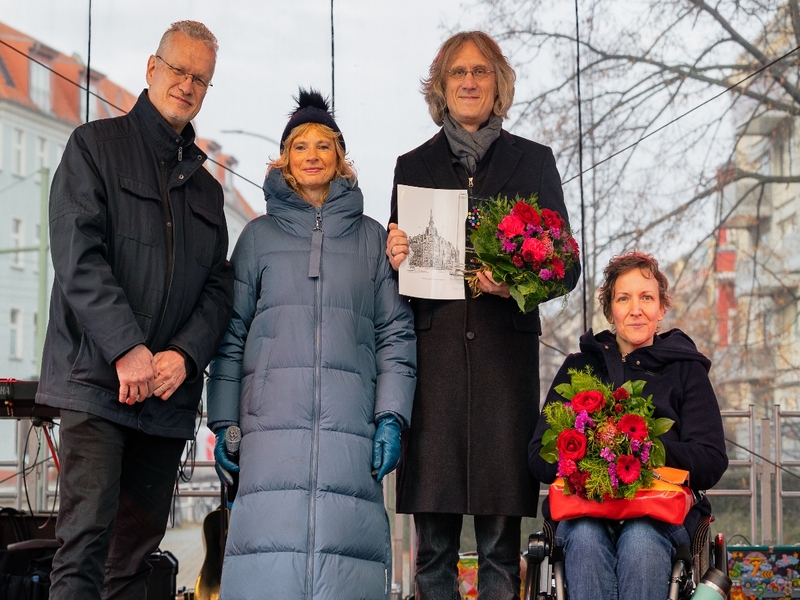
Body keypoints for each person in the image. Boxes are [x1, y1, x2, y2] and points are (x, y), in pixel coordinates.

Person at [35, 21, 234, 600]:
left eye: (201, 78)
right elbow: (77, 255)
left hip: (166, 400)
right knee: (84, 546)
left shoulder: (207, 189)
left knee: (136, 558)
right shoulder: (94, 147)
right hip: (97, 384)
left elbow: (218, 289)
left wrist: (184, 355)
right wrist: (127, 348)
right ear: (152, 70)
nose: (187, 85)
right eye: (179, 71)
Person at [386, 31, 581, 599]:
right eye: (457, 73)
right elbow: (395, 278)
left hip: (503, 370)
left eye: (480, 71)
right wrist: (392, 254)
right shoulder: (411, 165)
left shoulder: (535, 161)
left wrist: (516, 282)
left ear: (498, 84)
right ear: (441, 88)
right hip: (436, 370)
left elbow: (566, 266)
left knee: (501, 549)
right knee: (434, 550)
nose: (469, 81)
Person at [207, 89, 417, 600]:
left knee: (345, 571)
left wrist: (391, 416)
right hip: (268, 434)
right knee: (268, 570)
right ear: (284, 161)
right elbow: (230, 336)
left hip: (352, 433)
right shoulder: (256, 238)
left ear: (340, 159)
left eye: (324, 145)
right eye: (301, 146)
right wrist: (223, 421)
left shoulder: (372, 239)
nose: (312, 155)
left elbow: (396, 334)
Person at [528, 251, 729, 600]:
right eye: (624, 298)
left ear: (662, 308)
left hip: (659, 514)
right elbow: (538, 458)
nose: (636, 309)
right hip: (585, 510)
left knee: (640, 539)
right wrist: (590, 447)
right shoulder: (580, 367)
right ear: (610, 310)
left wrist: (645, 450)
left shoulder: (685, 370)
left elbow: (711, 459)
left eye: (646, 297)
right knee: (587, 537)